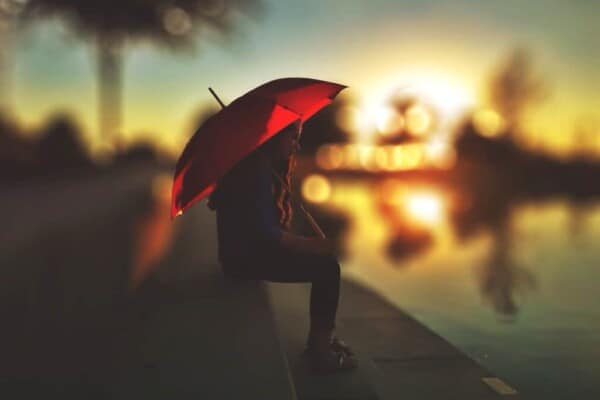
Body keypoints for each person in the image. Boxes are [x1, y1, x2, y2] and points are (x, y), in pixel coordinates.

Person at [207, 121, 358, 374]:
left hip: (235, 257)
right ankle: (320, 350)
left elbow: (261, 229)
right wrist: (313, 246)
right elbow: (268, 236)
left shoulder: (253, 166)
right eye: (292, 137)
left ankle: (320, 339)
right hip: (245, 261)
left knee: (321, 261)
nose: (296, 145)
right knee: (328, 269)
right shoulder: (255, 171)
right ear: (274, 137)